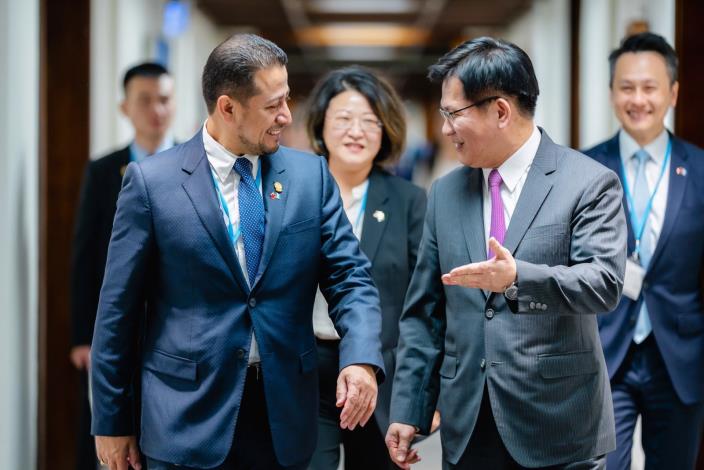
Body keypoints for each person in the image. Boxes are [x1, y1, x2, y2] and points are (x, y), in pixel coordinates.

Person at [90, 34, 385, 470]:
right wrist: (111, 421)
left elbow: (350, 276)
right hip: (185, 418)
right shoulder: (153, 184)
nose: (286, 116)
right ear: (227, 107)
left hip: (283, 416)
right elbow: (118, 311)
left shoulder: (310, 177)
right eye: (272, 105)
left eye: (287, 99)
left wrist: (360, 357)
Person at [385, 37, 627, 469]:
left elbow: (603, 283)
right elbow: (424, 312)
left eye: (453, 114)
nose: (444, 129)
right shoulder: (445, 193)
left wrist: (518, 278)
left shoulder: (588, 182)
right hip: (468, 425)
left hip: (557, 425)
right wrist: (408, 408)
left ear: (500, 111)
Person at [583, 32, 704, 470]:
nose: (638, 99)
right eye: (626, 87)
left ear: (672, 92)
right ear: (612, 92)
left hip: (681, 360)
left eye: (649, 87)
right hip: (602, 356)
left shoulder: (700, 170)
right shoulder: (586, 169)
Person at [304, 67, 427, 469]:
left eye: (369, 121)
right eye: (343, 119)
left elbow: (424, 304)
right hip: (307, 370)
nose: (355, 131)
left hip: (380, 374)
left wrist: (424, 397)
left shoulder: (410, 201)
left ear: (385, 129)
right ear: (321, 126)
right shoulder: (294, 194)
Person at [69, 61, 175, 470]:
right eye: (145, 101)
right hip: (113, 325)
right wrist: (82, 336)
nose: (156, 110)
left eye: (164, 99)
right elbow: (85, 254)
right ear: (124, 108)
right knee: (108, 429)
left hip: (169, 321)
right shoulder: (102, 171)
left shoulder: (196, 163)